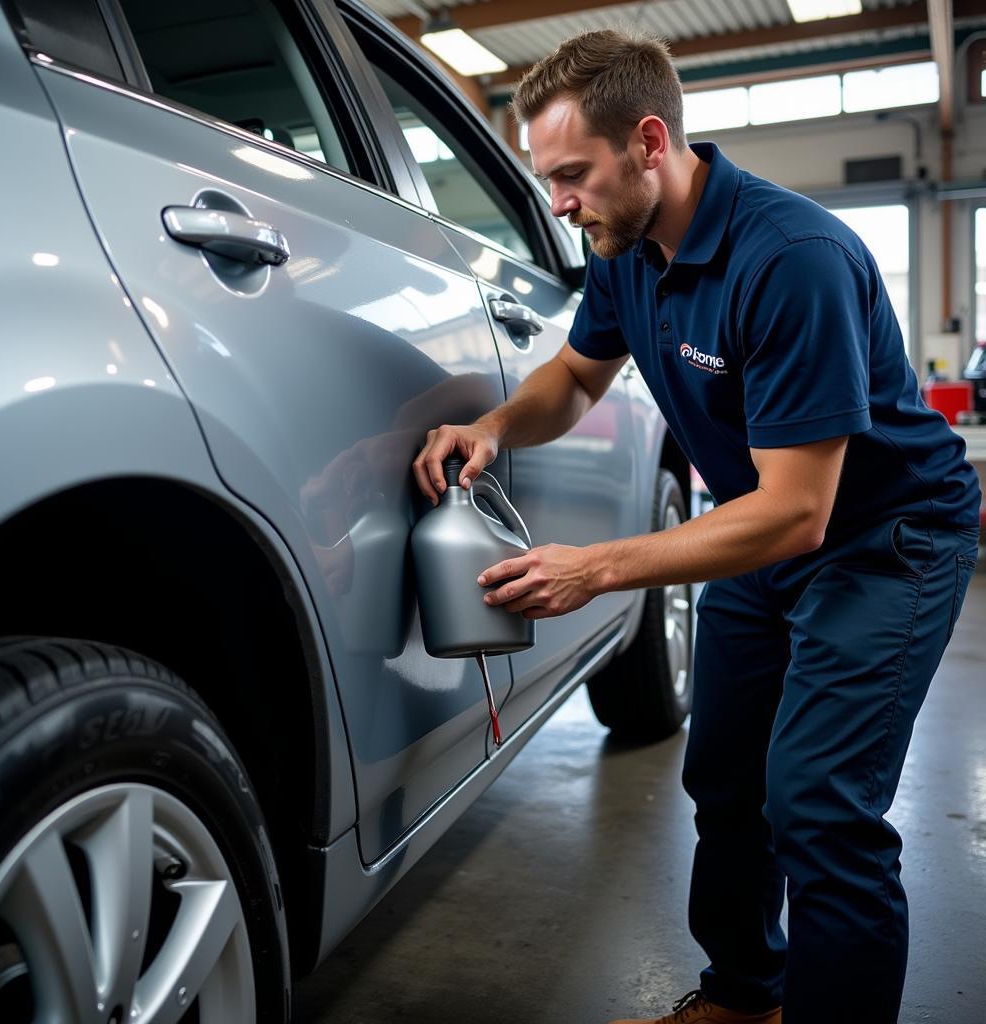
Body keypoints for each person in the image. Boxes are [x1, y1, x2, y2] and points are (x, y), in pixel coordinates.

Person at [411, 29, 982, 1024]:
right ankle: (741, 997)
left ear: (648, 142)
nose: (558, 203)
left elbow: (799, 511)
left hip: (888, 540)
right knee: (725, 779)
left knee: (817, 805)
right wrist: (493, 425)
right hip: (758, 529)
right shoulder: (625, 248)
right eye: (546, 179)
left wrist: (598, 569)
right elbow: (574, 377)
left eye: (572, 175)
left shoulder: (791, 258)